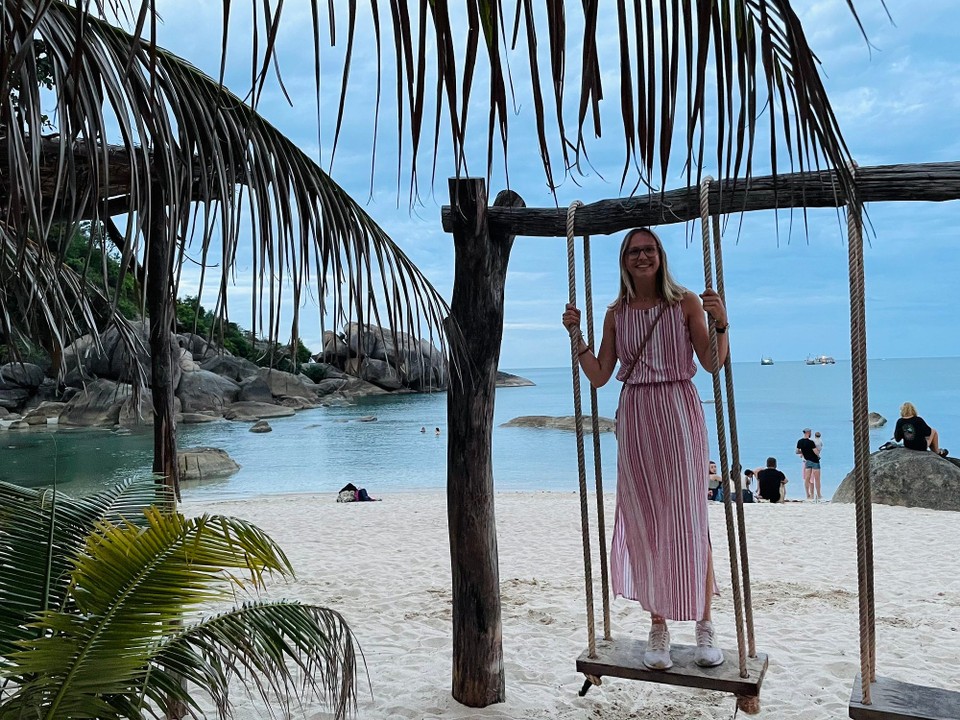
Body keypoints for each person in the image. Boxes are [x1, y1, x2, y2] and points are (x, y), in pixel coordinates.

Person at [562, 226, 729, 671]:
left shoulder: (686, 303)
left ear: (661, 255)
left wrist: (722, 324)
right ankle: (658, 626)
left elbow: (712, 363)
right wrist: (576, 335)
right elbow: (599, 375)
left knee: (690, 516)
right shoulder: (617, 313)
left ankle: (704, 623)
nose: (642, 256)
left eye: (649, 249)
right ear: (624, 259)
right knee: (646, 520)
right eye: (635, 251)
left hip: (678, 411)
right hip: (635, 416)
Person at [796, 428, 821, 501]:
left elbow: (797, 451)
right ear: (808, 433)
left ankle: (807, 494)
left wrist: (804, 452)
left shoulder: (800, 442)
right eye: (810, 432)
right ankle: (819, 494)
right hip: (815, 461)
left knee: (807, 478)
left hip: (807, 461)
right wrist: (818, 451)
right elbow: (816, 452)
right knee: (817, 479)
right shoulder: (811, 442)